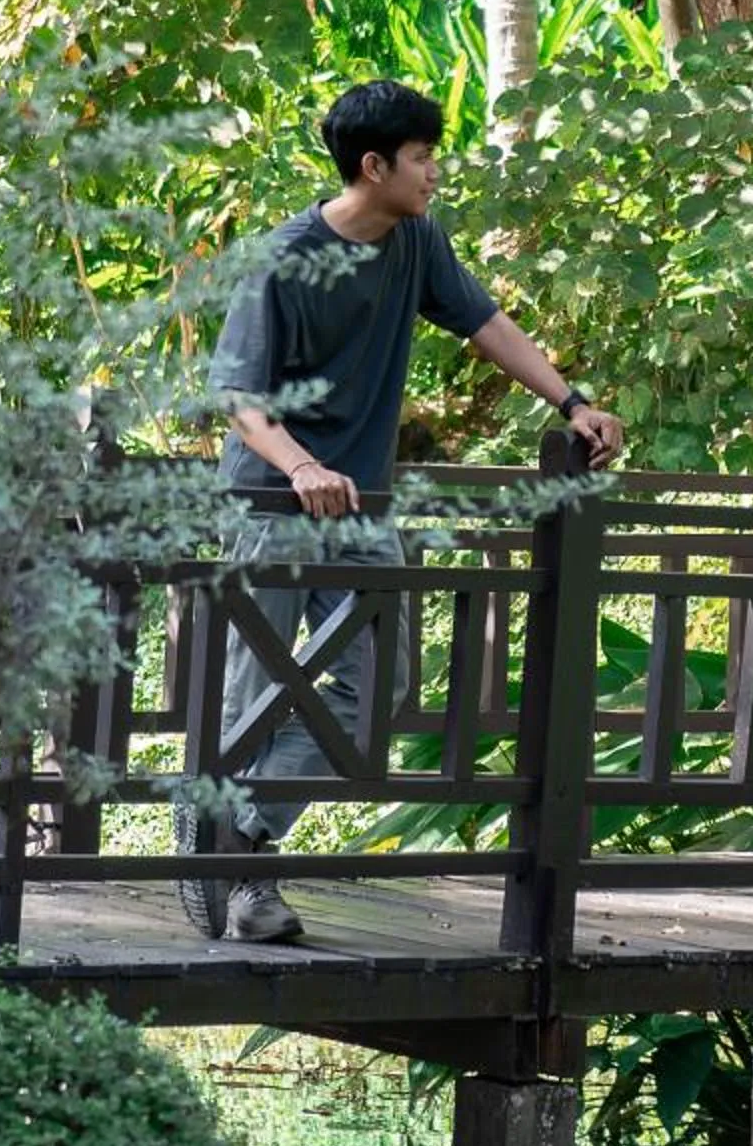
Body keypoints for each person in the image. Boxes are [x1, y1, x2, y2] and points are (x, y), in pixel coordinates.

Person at [180, 78, 624, 946]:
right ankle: (243, 885)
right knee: (252, 697)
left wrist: (571, 402)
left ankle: (245, 835)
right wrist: (302, 464)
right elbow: (238, 397)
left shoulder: (417, 242)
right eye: (422, 159)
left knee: (380, 683)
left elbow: (485, 324)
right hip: (275, 499)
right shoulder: (283, 260)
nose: (434, 174)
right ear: (373, 165)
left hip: (360, 506)